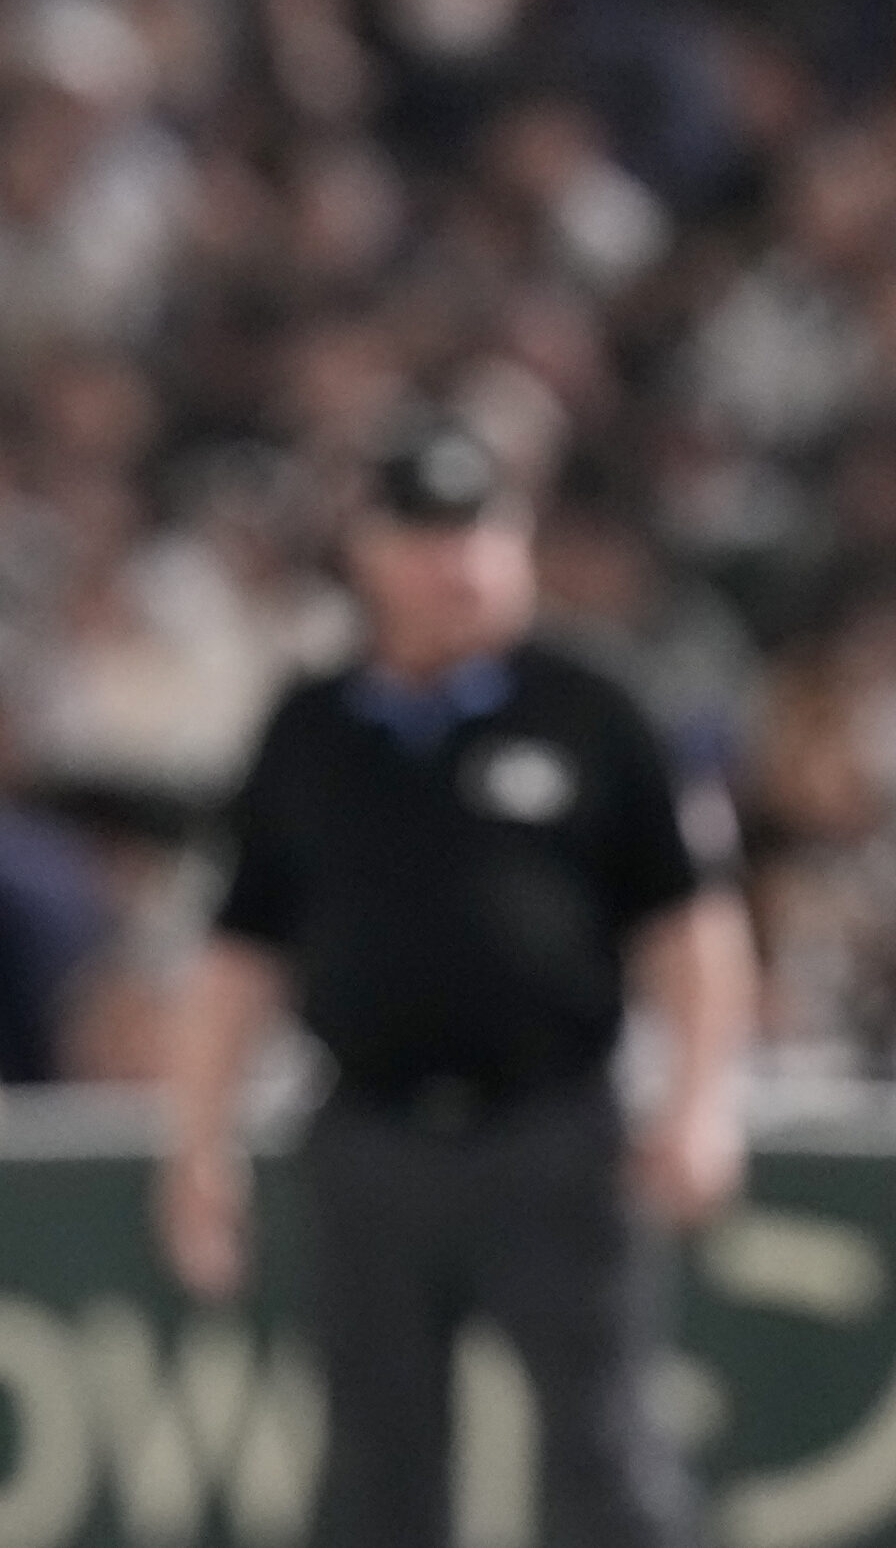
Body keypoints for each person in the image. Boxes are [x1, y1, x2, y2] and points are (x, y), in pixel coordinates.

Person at [157, 424, 753, 1548]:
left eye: (481, 529)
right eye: (427, 534)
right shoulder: (314, 727)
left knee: (604, 1457)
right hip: (367, 1136)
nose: (460, 561)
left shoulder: (591, 706)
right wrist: (197, 1146)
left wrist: (701, 1100)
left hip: (554, 1130)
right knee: (374, 1470)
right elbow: (238, 954)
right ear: (368, 552)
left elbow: (693, 924)